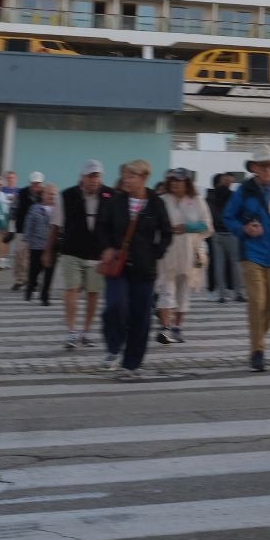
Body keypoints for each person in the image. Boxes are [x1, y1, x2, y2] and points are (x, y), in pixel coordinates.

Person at [99, 160, 173, 378]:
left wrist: (156, 252)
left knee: (141, 316)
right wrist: (106, 248)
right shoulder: (115, 201)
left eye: (131, 176)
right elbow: (102, 227)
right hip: (118, 266)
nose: (126, 180)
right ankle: (115, 345)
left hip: (144, 267)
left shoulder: (155, 202)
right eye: (125, 176)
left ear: (143, 178)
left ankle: (131, 364)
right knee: (114, 306)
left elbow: (166, 232)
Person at [226, 146, 270, 371]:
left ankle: (257, 340)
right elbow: (228, 217)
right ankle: (258, 350)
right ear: (253, 168)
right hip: (252, 253)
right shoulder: (244, 191)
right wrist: (244, 228)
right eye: (262, 165)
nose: (266, 169)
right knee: (257, 302)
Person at [47, 160, 116, 351]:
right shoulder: (67, 195)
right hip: (72, 250)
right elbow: (55, 225)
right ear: (82, 177)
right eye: (91, 177)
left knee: (93, 293)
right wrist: (48, 250)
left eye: (97, 177)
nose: (94, 181)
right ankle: (71, 331)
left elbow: (116, 225)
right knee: (71, 289)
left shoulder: (110, 195)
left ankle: (86, 332)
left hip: (97, 252)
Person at [156, 169, 212, 344]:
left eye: (178, 180)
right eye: (172, 180)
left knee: (183, 292)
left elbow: (207, 226)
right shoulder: (162, 200)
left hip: (190, 251)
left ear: (186, 183)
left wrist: (187, 227)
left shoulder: (197, 201)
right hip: (167, 251)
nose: (175, 183)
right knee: (166, 289)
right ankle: (165, 327)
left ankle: (177, 327)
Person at [207, 171, 244, 302]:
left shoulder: (210, 196)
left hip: (216, 233)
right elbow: (239, 211)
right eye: (227, 181)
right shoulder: (232, 196)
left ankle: (221, 294)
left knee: (219, 264)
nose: (229, 183)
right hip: (230, 232)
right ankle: (237, 293)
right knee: (235, 264)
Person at [23, 184, 57, 304]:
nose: (51, 196)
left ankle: (45, 296)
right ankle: (30, 288)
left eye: (53, 194)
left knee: (49, 272)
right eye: (49, 193)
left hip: (52, 246)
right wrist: (26, 241)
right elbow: (28, 225)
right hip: (37, 245)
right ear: (43, 195)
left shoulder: (58, 210)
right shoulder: (35, 208)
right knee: (35, 271)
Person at [10, 173, 43, 290]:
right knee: (19, 256)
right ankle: (19, 280)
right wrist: (11, 228)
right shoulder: (22, 193)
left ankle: (32, 280)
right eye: (34, 183)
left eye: (38, 183)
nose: (36, 186)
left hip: (37, 232)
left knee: (34, 258)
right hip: (22, 230)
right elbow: (13, 209)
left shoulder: (43, 195)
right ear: (30, 183)